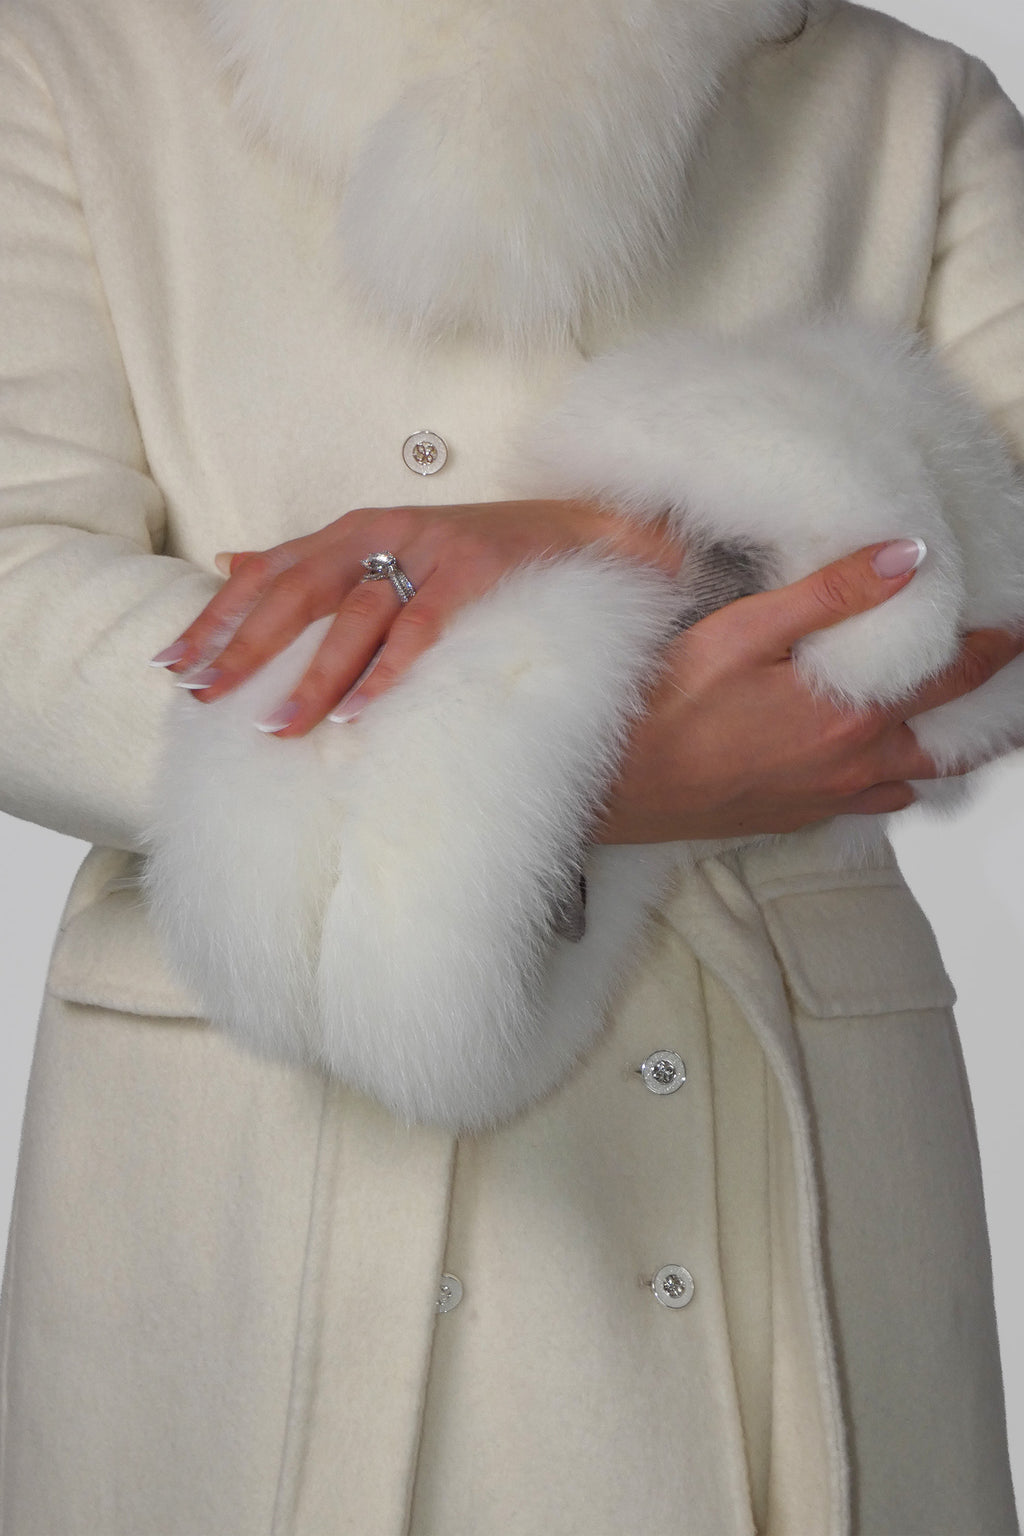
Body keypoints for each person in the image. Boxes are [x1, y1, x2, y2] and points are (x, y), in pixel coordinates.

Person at [0, 0, 1021, 1532]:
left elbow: (1007, 588)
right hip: (264, 1136)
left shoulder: (903, 98)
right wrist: (558, 761)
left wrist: (605, 548)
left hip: (769, 1101)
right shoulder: (81, 59)